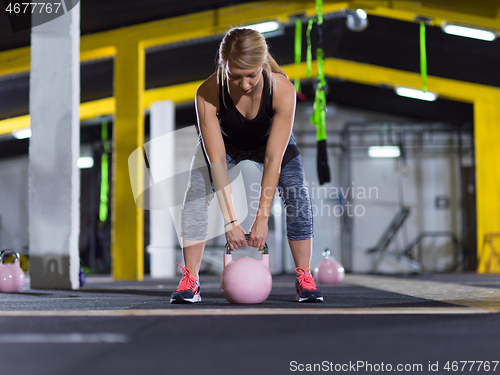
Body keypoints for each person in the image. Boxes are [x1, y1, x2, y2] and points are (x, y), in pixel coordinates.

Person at [170, 28, 323, 304]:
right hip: (226, 145)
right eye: (235, 77)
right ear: (223, 67)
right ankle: (190, 279)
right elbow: (217, 161)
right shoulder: (207, 93)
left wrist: (262, 218)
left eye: (251, 75)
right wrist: (230, 221)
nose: (244, 84)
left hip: (269, 145)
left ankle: (305, 276)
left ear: (262, 65)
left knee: (297, 193)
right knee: (196, 192)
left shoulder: (282, 89)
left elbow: (273, 159)